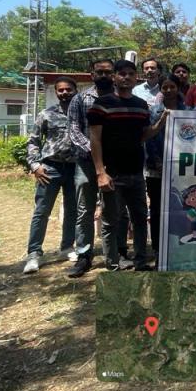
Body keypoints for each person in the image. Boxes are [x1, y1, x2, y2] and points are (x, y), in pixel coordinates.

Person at [88, 60, 167, 272]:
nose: (127, 77)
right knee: (111, 221)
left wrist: (160, 124)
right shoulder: (101, 104)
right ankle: (113, 264)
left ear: (135, 77)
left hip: (136, 173)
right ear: (114, 77)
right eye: (122, 74)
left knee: (140, 219)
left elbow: (143, 135)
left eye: (131, 74)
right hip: (112, 173)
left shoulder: (140, 105)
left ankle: (141, 262)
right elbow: (95, 140)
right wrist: (100, 172)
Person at [23, 76, 79, 274]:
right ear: (56, 92)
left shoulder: (82, 114)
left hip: (75, 169)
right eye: (60, 90)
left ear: (75, 91)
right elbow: (33, 141)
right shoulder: (46, 114)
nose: (64, 93)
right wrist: (35, 165)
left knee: (72, 210)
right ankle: (34, 254)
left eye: (68, 89)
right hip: (50, 169)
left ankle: (67, 247)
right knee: (42, 211)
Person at [67, 59, 115, 278]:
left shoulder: (119, 97)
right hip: (86, 162)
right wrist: (95, 151)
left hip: (114, 163)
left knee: (113, 210)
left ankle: (113, 254)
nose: (104, 76)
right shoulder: (80, 98)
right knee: (85, 210)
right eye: (100, 72)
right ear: (91, 74)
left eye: (108, 72)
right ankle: (84, 255)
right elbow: (74, 130)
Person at [144, 74, 185, 259]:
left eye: (172, 86)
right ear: (160, 89)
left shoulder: (187, 110)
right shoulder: (154, 111)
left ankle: (178, 246)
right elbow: (149, 138)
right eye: (165, 87)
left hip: (181, 170)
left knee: (180, 208)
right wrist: (158, 162)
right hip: (157, 170)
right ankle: (158, 247)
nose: (168, 90)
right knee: (157, 209)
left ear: (178, 88)